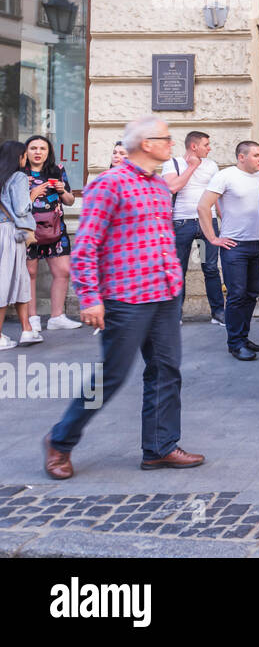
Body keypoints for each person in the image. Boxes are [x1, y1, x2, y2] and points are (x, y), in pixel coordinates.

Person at [43, 116, 204, 480]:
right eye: (165, 138)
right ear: (146, 143)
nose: (171, 144)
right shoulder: (108, 185)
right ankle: (60, 440)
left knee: (166, 370)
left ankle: (160, 448)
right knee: (111, 377)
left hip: (163, 295)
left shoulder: (161, 187)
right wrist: (89, 298)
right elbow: (86, 246)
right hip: (125, 298)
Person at [197, 141, 259, 361]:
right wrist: (212, 238)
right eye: (256, 155)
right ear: (241, 157)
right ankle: (235, 343)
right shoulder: (225, 176)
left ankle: (244, 338)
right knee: (236, 295)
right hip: (234, 246)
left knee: (251, 295)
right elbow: (202, 206)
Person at [162, 130, 225, 327]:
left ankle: (218, 313)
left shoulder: (212, 166)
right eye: (206, 144)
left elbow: (218, 196)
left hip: (206, 224)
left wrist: (225, 221)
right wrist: (192, 167)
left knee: (210, 268)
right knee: (179, 269)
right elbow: (172, 188)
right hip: (182, 224)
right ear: (194, 146)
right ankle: (175, 314)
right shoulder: (172, 164)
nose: (210, 148)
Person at [23, 134, 79, 338]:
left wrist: (62, 191)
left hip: (55, 230)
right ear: (26, 152)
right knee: (30, 273)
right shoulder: (20, 173)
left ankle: (57, 317)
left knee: (63, 271)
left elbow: (70, 201)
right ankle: (32, 318)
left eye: (42, 148)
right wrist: (32, 194)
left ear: (49, 152)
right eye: (33, 148)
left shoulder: (57, 170)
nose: (38, 152)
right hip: (28, 231)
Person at [0, 140, 35, 351]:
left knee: (19, 279)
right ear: (19, 157)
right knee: (6, 282)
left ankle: (27, 328)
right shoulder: (19, 177)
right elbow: (22, 208)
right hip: (10, 233)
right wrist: (32, 196)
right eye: (24, 155)